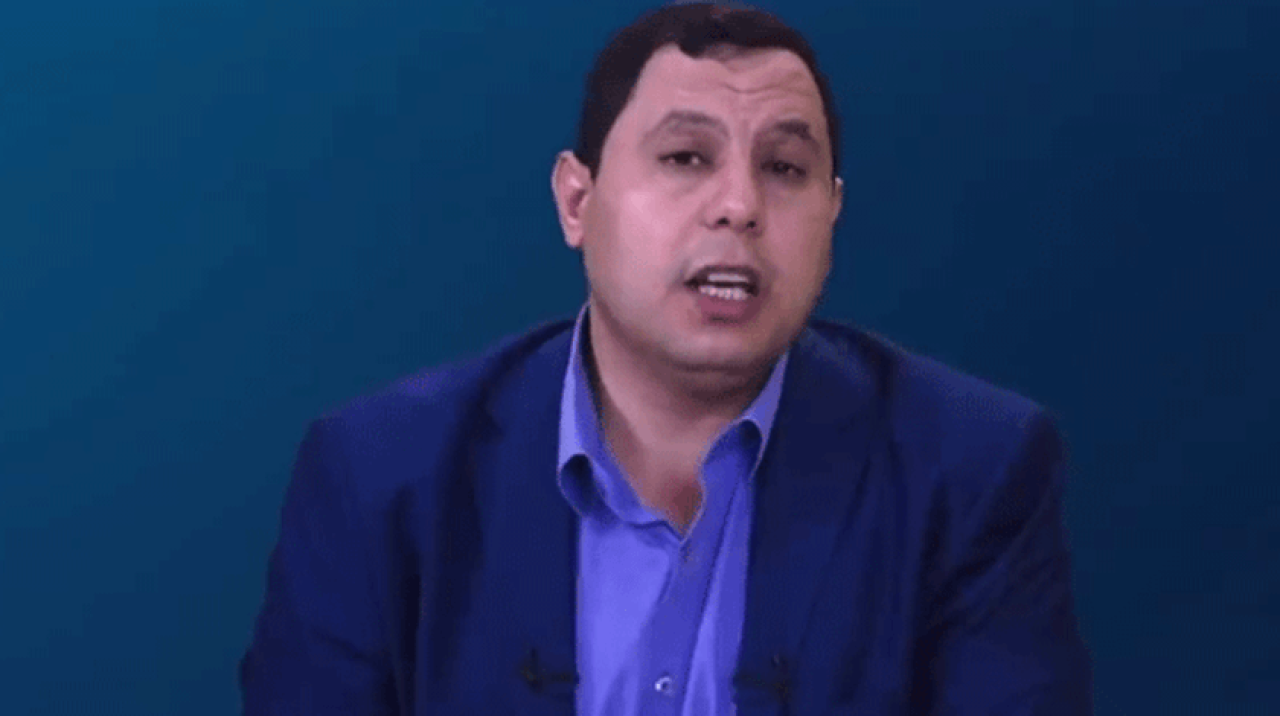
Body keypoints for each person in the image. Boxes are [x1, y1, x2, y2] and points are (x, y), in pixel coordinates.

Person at [239, 2, 1093, 714]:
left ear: (832, 213)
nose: (740, 206)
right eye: (687, 157)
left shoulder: (971, 473)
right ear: (577, 202)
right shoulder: (380, 478)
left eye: (785, 167)